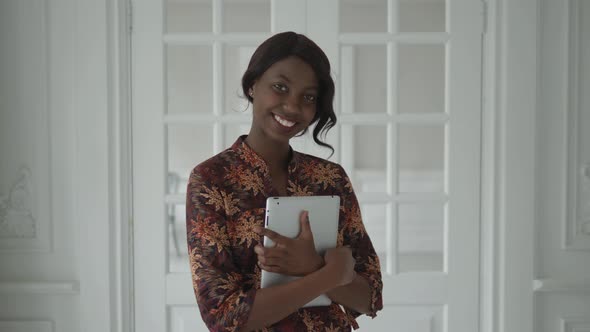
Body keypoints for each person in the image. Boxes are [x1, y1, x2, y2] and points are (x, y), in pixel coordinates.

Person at [186, 31, 383, 331]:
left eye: (308, 97)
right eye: (280, 87)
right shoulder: (212, 181)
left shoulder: (331, 179)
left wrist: (313, 266)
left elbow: (369, 298)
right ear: (253, 86)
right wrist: (326, 275)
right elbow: (224, 317)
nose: (292, 106)